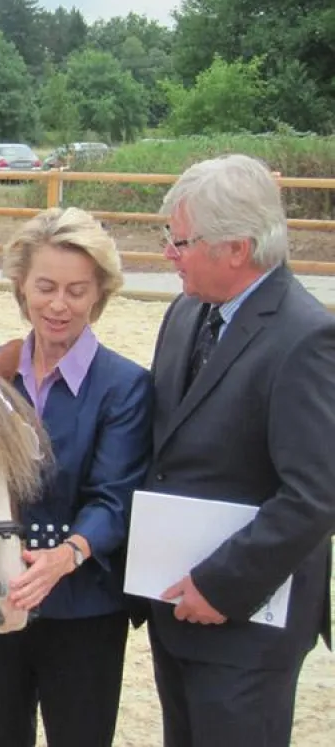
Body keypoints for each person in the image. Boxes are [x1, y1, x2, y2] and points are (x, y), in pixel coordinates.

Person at [144, 154, 335, 747]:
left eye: (181, 241)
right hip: (175, 612)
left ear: (237, 248)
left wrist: (220, 585)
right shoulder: (185, 311)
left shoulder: (305, 338)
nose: (168, 254)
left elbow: (315, 494)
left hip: (248, 626)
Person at [0, 207, 152, 747]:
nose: (58, 304)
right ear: (21, 286)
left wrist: (66, 555)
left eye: (77, 290)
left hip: (85, 607)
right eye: (45, 286)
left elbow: (114, 500)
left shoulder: (126, 386)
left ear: (99, 293)